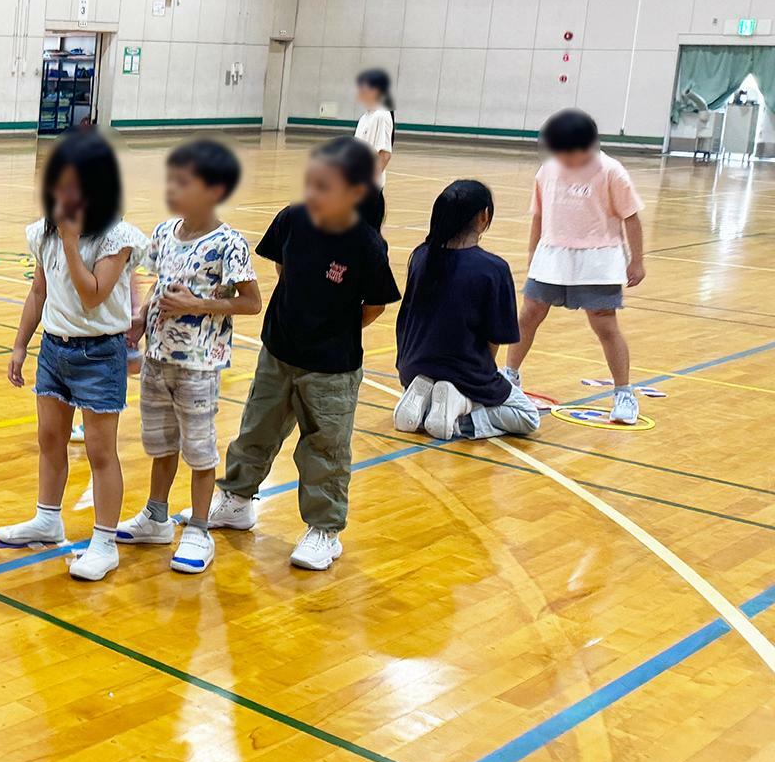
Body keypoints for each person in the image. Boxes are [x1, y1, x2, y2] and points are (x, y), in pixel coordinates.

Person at [206, 138, 401, 572]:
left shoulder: (366, 244)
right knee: (256, 428)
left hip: (331, 367)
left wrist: (331, 328)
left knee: (324, 450)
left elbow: (374, 306)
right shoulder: (293, 219)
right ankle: (236, 500)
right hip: (279, 350)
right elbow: (282, 268)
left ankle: (324, 531)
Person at [0, 132, 148, 582]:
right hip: (54, 351)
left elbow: (94, 295)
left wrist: (69, 241)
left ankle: (104, 541)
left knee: (101, 451)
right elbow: (39, 290)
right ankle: (47, 517)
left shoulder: (115, 238)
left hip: (100, 353)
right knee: (50, 439)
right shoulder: (46, 230)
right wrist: (21, 344)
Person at [116, 138, 261, 575]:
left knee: (199, 449)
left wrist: (199, 305)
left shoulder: (229, 243)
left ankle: (198, 528)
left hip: (199, 365)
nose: (173, 191)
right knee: (161, 443)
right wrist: (140, 319)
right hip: (158, 359)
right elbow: (160, 285)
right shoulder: (165, 232)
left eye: (184, 183)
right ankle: (157, 517)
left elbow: (251, 302)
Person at [506, 108, 647, 424]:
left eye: (571, 153)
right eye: (561, 153)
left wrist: (637, 260)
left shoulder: (612, 171)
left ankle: (623, 393)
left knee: (605, 325)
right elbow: (539, 217)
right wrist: (533, 258)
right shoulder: (547, 171)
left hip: (598, 259)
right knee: (528, 315)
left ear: (591, 145)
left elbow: (631, 217)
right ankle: (509, 376)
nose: (565, 160)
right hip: (552, 256)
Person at [393, 180, 541, 441]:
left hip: (412, 368)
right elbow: (495, 340)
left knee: (440, 381)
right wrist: (482, 380)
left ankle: (424, 402)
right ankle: (460, 415)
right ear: (484, 217)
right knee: (527, 415)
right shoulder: (493, 268)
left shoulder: (420, 256)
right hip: (465, 373)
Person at [354, 67, 394, 233]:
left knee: (368, 236)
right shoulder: (365, 117)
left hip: (369, 191)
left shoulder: (381, 115)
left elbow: (384, 154)